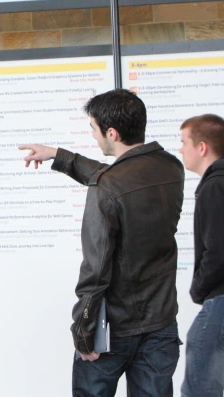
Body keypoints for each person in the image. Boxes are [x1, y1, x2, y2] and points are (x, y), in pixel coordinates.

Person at [20, 89, 184, 397]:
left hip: (114, 331)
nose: (94, 137)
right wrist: (58, 154)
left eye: (94, 129)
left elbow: (95, 270)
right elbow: (120, 180)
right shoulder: (171, 168)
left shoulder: (108, 186)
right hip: (161, 324)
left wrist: (82, 330)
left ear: (112, 132)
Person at [178, 114, 224, 397]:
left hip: (221, 301)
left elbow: (220, 252)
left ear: (202, 147)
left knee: (199, 390)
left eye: (184, 142)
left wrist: (198, 289)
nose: (181, 149)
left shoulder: (215, 184)